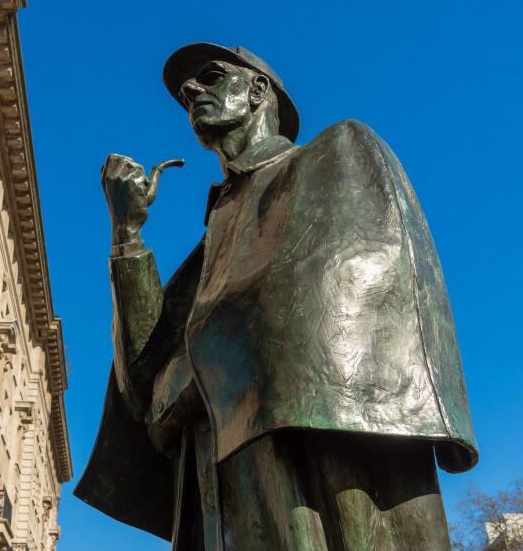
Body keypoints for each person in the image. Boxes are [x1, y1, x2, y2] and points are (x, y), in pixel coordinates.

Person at [75, 43, 478, 551]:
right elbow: (142, 389)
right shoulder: (211, 243)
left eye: (211, 76)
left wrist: (183, 379)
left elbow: (325, 306)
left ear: (258, 90)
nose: (192, 91)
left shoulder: (335, 154)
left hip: (301, 472)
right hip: (214, 490)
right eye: (186, 93)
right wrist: (127, 234)